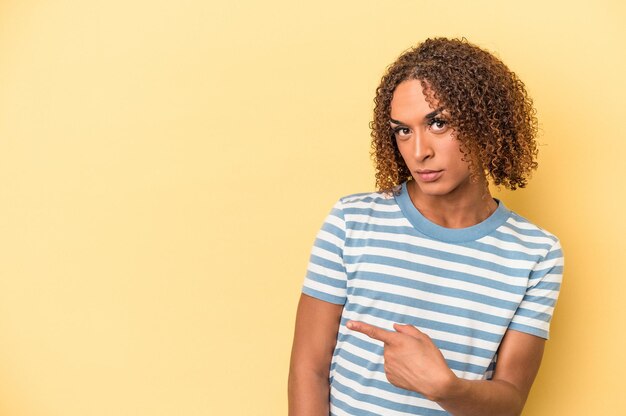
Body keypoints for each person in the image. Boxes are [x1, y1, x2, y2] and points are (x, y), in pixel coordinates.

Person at [288, 37, 563, 416]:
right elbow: (308, 370)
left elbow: (510, 400)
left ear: (485, 122)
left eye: (438, 123)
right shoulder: (352, 221)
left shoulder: (536, 253)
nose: (419, 151)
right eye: (403, 130)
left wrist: (443, 387)